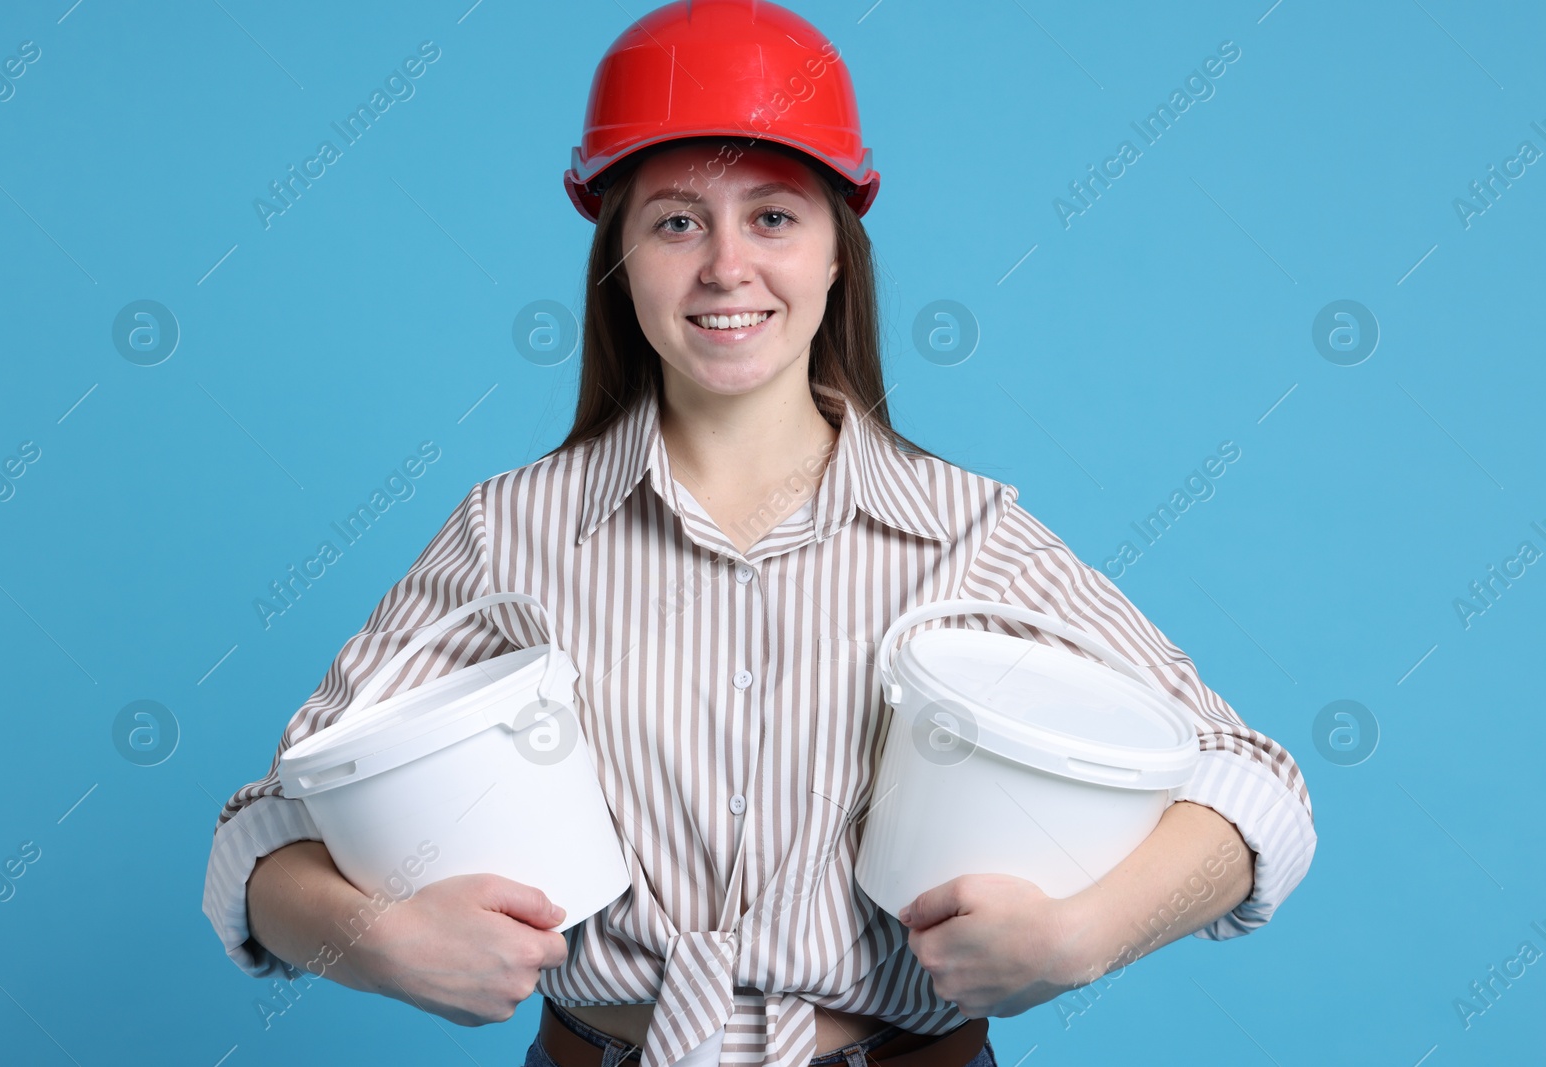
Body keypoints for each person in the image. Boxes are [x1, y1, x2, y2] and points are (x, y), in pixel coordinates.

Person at [202, 3, 1318, 1067]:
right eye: (676, 219)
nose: (725, 266)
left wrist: (1085, 934)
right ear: (617, 257)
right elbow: (263, 838)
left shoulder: (963, 535)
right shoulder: (510, 535)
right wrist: (375, 939)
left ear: (839, 251)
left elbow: (1252, 783)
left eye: (773, 215)